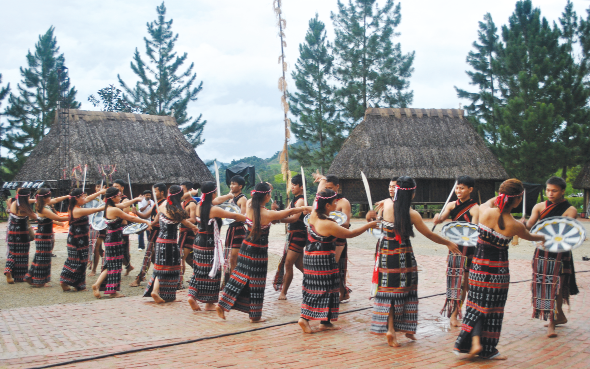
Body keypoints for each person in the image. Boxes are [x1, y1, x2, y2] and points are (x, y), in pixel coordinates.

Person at [454, 179, 545, 360]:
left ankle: (475, 342)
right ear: (518, 200)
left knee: (476, 305)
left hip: (478, 268)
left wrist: (501, 198)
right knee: (492, 309)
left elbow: (491, 201)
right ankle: (487, 349)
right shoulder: (516, 225)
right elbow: (532, 236)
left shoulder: (484, 211)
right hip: (498, 272)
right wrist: (545, 235)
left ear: (501, 195)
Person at [365, 176, 460, 348]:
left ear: (397, 190)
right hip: (404, 256)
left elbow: (380, 215)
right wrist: (448, 243)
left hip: (386, 255)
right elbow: (430, 235)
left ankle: (393, 330)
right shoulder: (412, 214)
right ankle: (404, 329)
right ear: (413, 194)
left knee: (388, 293)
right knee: (407, 291)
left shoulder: (387, 205)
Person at [217, 182, 310, 322]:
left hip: (245, 247)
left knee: (238, 276)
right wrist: (305, 208)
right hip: (258, 251)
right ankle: (255, 316)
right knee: (257, 281)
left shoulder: (249, 205)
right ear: (267, 196)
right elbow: (289, 212)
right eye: (269, 194)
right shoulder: (267, 213)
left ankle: (223, 303)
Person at [298, 189, 378, 333]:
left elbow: (314, 207)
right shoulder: (327, 224)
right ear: (327, 205)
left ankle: (325, 321)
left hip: (310, 257)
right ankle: (304, 318)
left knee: (325, 290)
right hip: (322, 260)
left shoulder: (314, 215)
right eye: (334, 203)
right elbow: (350, 233)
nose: (336, 205)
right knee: (322, 290)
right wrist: (369, 225)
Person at [523, 176, 578, 338]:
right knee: (543, 284)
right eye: (548, 190)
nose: (550, 193)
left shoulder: (570, 210)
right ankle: (559, 315)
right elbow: (530, 225)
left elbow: (560, 230)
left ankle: (552, 322)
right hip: (542, 250)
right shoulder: (539, 206)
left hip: (560, 251)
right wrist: (522, 224)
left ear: (562, 191)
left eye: (554, 190)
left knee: (557, 286)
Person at [187, 182, 247, 311]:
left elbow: (218, 200)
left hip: (198, 242)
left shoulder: (199, 205)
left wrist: (228, 196)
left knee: (198, 270)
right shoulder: (213, 209)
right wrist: (248, 219)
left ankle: (192, 295)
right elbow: (235, 216)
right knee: (213, 271)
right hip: (209, 244)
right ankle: (209, 303)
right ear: (213, 193)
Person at [432, 175, 480, 326]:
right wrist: (437, 218)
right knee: (454, 281)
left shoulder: (475, 208)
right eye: (457, 188)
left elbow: (474, 230)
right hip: (454, 248)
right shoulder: (452, 205)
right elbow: (443, 218)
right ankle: (454, 314)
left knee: (465, 283)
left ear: (470, 189)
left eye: (462, 188)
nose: (458, 191)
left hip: (469, 249)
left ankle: (456, 313)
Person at [92, 187, 152, 298]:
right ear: (113, 197)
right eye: (119, 195)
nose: (120, 197)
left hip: (112, 238)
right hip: (114, 239)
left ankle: (97, 285)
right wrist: (145, 221)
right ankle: (111, 291)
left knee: (109, 265)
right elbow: (130, 218)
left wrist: (135, 200)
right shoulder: (114, 209)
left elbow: (125, 205)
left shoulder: (109, 207)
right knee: (114, 266)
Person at [144, 185, 198, 303]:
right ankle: (157, 291)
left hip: (160, 241)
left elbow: (156, 219)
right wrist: (194, 227)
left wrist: (151, 225)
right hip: (170, 243)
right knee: (169, 268)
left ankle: (155, 291)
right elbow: (185, 222)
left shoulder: (162, 205)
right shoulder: (174, 209)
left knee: (160, 267)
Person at [313, 174, 353, 302]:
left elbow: (346, 223)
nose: (328, 190)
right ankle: (341, 292)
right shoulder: (324, 201)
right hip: (325, 236)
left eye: (331, 187)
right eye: (326, 188)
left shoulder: (343, 202)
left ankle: (333, 294)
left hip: (338, 237)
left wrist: (331, 222)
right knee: (330, 266)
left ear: (337, 187)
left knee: (333, 266)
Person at [59, 188, 106, 292]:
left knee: (75, 260)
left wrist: (99, 193)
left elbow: (88, 199)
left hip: (77, 238)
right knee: (79, 261)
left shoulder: (73, 207)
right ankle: (69, 282)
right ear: (77, 198)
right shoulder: (77, 210)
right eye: (82, 196)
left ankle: (72, 283)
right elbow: (96, 210)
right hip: (77, 240)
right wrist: (110, 205)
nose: (85, 198)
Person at [24, 189, 69, 287]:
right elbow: (58, 218)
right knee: (43, 259)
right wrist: (74, 216)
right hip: (44, 236)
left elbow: (56, 200)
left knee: (39, 257)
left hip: (42, 235)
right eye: (49, 197)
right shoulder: (44, 209)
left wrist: (67, 196)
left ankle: (30, 277)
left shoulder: (40, 204)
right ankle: (39, 281)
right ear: (44, 198)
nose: (51, 198)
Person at [273, 174, 308, 300]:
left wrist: (278, 219)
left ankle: (283, 292)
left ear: (301, 187)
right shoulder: (294, 200)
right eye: (291, 184)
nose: (292, 187)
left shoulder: (301, 201)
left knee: (288, 263)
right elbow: (286, 212)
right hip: (293, 235)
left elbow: (293, 218)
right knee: (300, 265)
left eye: (294, 185)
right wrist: (276, 213)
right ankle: (317, 281)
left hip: (298, 235)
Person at [130, 183, 167, 287]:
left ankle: (144, 278)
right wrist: (136, 212)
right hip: (154, 232)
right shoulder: (156, 204)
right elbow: (146, 215)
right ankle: (148, 277)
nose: (153, 194)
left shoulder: (165, 204)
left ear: (162, 192)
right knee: (151, 255)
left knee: (153, 255)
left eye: (155, 191)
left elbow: (160, 219)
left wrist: (151, 224)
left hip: (162, 232)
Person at [5, 189, 37, 283]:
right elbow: (35, 217)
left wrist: (38, 199)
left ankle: (8, 270)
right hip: (22, 232)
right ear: (25, 197)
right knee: (22, 253)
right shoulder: (24, 208)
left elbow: (31, 200)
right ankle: (19, 275)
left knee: (12, 252)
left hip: (12, 231)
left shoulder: (15, 203)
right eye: (28, 196)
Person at [224, 175, 248, 274]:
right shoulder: (231, 198)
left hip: (238, 230)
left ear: (240, 186)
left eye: (234, 184)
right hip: (231, 229)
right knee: (229, 257)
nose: (231, 186)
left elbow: (243, 218)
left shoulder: (242, 199)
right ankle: (230, 280)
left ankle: (235, 282)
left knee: (234, 257)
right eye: (231, 184)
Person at [179, 181, 198, 288]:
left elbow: (193, 219)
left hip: (189, 233)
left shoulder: (192, 203)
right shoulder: (183, 202)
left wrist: (180, 219)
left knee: (181, 257)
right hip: (182, 232)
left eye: (183, 189)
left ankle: (179, 282)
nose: (181, 191)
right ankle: (198, 275)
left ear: (189, 190)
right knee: (188, 258)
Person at [89, 180, 107, 276]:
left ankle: (94, 269)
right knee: (97, 248)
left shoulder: (106, 198)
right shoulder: (92, 198)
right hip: (93, 225)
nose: (99, 188)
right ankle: (95, 267)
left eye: (101, 187)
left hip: (102, 226)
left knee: (97, 247)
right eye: (97, 186)